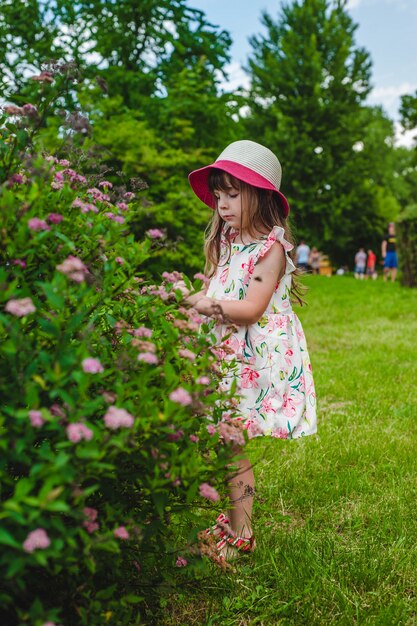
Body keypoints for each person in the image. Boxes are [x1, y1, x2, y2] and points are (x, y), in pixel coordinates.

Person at [184, 140, 317, 563]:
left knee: (232, 444)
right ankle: (233, 519)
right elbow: (213, 289)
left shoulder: (271, 249)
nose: (222, 204)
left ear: (259, 195)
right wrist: (189, 302)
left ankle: (243, 533)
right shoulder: (226, 238)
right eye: (218, 195)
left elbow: (251, 308)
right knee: (225, 444)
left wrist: (202, 305)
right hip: (226, 354)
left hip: (254, 360)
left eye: (233, 193)